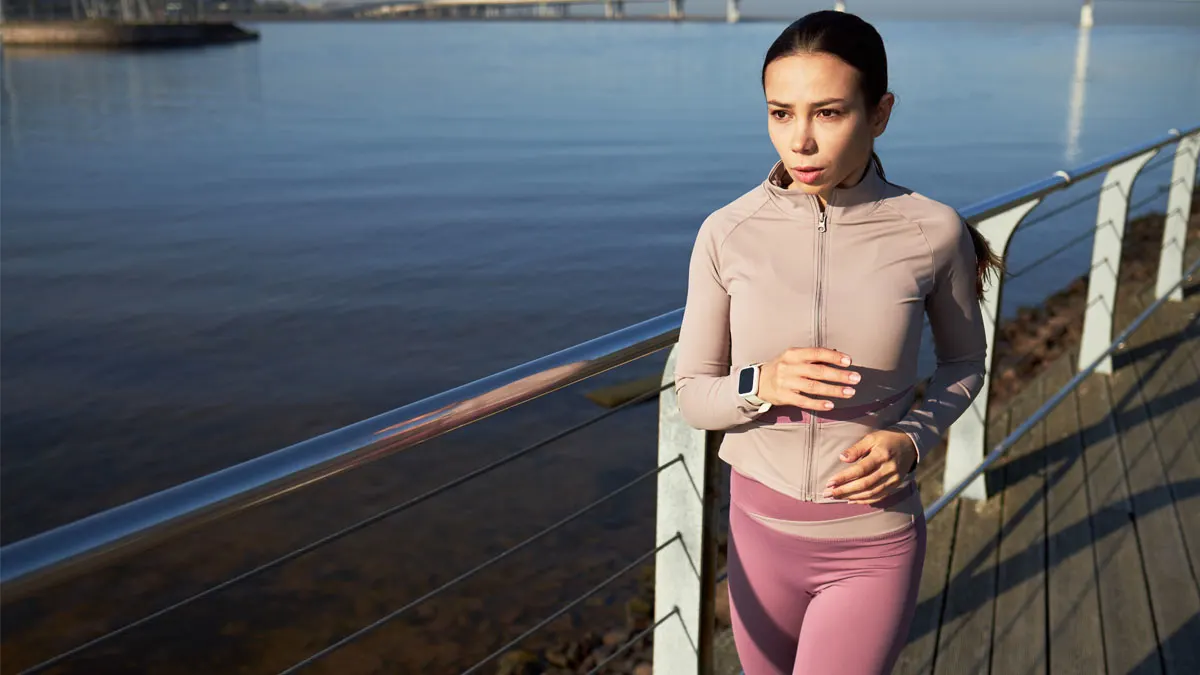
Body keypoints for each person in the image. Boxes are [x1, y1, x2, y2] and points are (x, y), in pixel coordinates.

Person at [673, 10, 1002, 675]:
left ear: (879, 113)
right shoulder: (726, 233)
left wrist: (914, 437)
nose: (800, 141)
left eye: (828, 113)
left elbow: (966, 361)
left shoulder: (933, 230)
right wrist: (760, 383)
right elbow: (693, 395)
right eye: (780, 113)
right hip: (757, 538)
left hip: (872, 541)